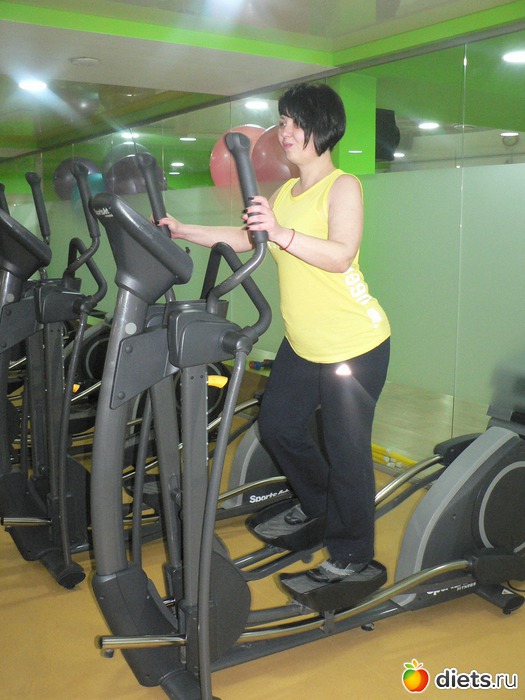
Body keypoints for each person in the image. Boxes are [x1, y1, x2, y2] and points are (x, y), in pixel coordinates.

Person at [158, 82, 391, 585]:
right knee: (279, 426)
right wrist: (184, 230)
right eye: (282, 121)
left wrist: (281, 233)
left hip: (354, 344)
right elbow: (246, 238)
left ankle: (353, 554)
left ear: (322, 127)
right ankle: (321, 506)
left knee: (346, 451)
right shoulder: (287, 192)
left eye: (294, 122)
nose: (284, 132)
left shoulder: (343, 186)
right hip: (304, 343)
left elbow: (340, 255)